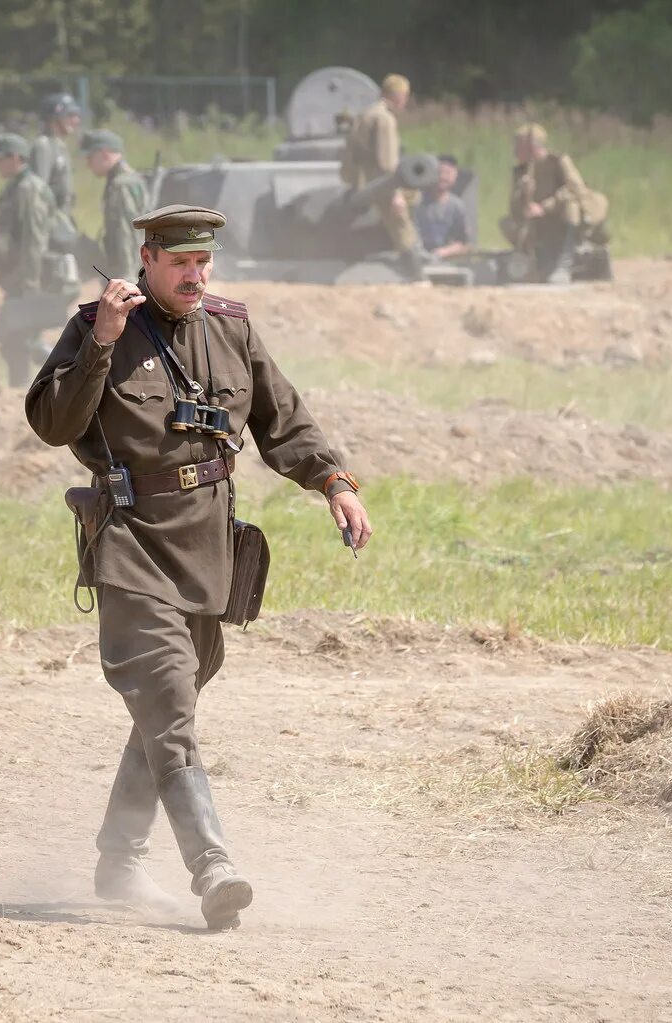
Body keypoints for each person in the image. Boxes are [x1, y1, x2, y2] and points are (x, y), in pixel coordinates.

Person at [25, 204, 372, 930]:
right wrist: (103, 344)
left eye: (202, 262)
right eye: (179, 262)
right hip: (131, 545)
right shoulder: (98, 326)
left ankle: (118, 861)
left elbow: (283, 419)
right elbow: (54, 423)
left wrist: (333, 483)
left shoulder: (230, 326)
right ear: (145, 259)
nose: (194, 274)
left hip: (208, 550)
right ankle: (212, 865)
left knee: (168, 705)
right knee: (169, 705)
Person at [0, 133, 73, 387]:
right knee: (17, 337)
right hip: (22, 274)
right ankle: (22, 386)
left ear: (14, 158)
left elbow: (34, 240)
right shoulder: (17, 187)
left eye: (0, 159)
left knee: (21, 337)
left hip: (31, 275)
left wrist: (30, 284)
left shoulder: (29, 189)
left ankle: (66, 377)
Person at [499, 123, 610, 284]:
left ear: (533, 147)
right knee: (508, 224)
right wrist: (522, 193)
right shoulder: (521, 171)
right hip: (540, 224)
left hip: (562, 216)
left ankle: (565, 262)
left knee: (571, 206)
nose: (515, 150)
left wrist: (544, 207)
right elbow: (514, 209)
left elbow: (575, 189)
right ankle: (534, 260)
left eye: (519, 146)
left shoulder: (558, 161)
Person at [340, 73, 424, 279]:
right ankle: (416, 273)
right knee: (401, 223)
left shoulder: (365, 115)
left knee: (414, 196)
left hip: (364, 181)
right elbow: (387, 163)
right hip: (380, 183)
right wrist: (395, 194)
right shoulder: (385, 119)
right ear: (399, 96)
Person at [80, 129, 150, 282]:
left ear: (104, 154)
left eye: (90, 158)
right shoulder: (130, 178)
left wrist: (127, 277)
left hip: (128, 268)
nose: (88, 164)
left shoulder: (120, 185)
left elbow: (127, 234)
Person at [30, 92, 81, 220]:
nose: (76, 121)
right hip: (50, 221)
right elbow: (39, 191)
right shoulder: (43, 146)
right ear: (53, 119)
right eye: (70, 115)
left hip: (61, 218)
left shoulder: (59, 145)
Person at [415, 154, 470, 260]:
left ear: (455, 176)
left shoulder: (456, 206)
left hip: (442, 258)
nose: (443, 177)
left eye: (448, 173)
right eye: (439, 172)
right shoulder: (417, 201)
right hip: (416, 255)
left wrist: (442, 252)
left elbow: (463, 243)